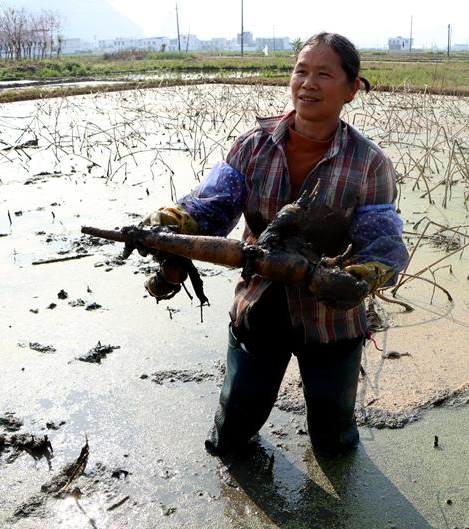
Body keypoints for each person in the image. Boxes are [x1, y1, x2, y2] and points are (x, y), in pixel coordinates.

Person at [142, 32, 409, 457]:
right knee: (231, 430)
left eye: (324, 74)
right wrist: (175, 221)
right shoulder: (253, 144)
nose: (308, 83)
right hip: (258, 306)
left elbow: (383, 244)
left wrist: (361, 276)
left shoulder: (369, 162)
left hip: (330, 318)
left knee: (334, 437)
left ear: (352, 89)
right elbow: (213, 206)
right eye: (301, 71)